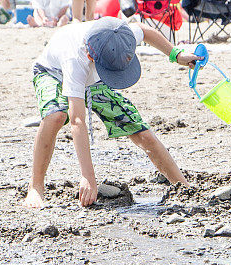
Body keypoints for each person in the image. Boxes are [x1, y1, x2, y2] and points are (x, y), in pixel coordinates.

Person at [24, 17, 200, 208]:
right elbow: (77, 121)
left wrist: (175, 54)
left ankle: (182, 186)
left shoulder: (120, 35)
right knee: (56, 116)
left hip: (95, 78)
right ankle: (35, 187)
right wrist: (88, 177)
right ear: (92, 57)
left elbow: (145, 30)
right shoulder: (75, 59)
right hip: (53, 72)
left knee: (141, 132)